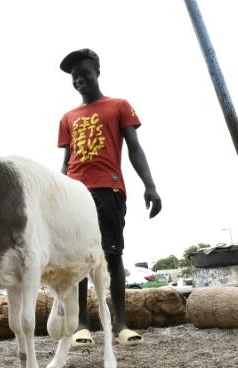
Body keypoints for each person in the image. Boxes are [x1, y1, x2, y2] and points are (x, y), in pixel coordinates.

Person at [57, 48, 162, 347]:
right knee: (78, 258)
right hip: (75, 193)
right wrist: (58, 193)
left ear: (97, 72)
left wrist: (150, 185)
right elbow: (67, 161)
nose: (79, 80)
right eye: (74, 77)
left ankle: (120, 324)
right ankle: (81, 325)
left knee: (112, 254)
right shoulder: (68, 118)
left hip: (108, 189)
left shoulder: (119, 106)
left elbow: (135, 149)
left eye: (85, 74)